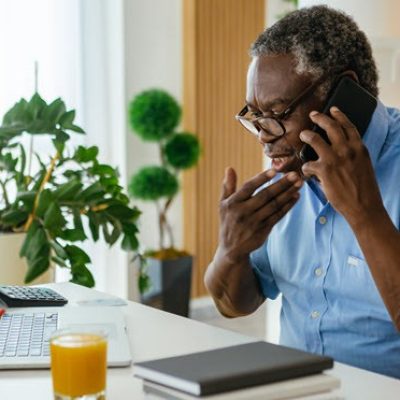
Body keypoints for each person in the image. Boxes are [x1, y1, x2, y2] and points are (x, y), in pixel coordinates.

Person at [204, 5, 400, 378]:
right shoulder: (288, 170)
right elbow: (234, 306)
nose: (263, 135)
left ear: (344, 95)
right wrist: (231, 251)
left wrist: (364, 213)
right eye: (255, 115)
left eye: (278, 113)